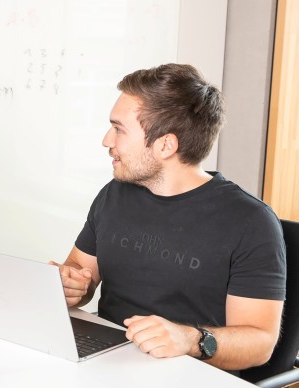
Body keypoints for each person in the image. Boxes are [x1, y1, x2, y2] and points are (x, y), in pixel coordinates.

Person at [53, 63, 286, 371]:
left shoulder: (251, 222)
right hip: (105, 361)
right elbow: (79, 270)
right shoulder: (115, 194)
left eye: (119, 129)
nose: (107, 141)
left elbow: (260, 343)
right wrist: (70, 284)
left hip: (189, 378)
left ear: (165, 145)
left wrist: (190, 340)